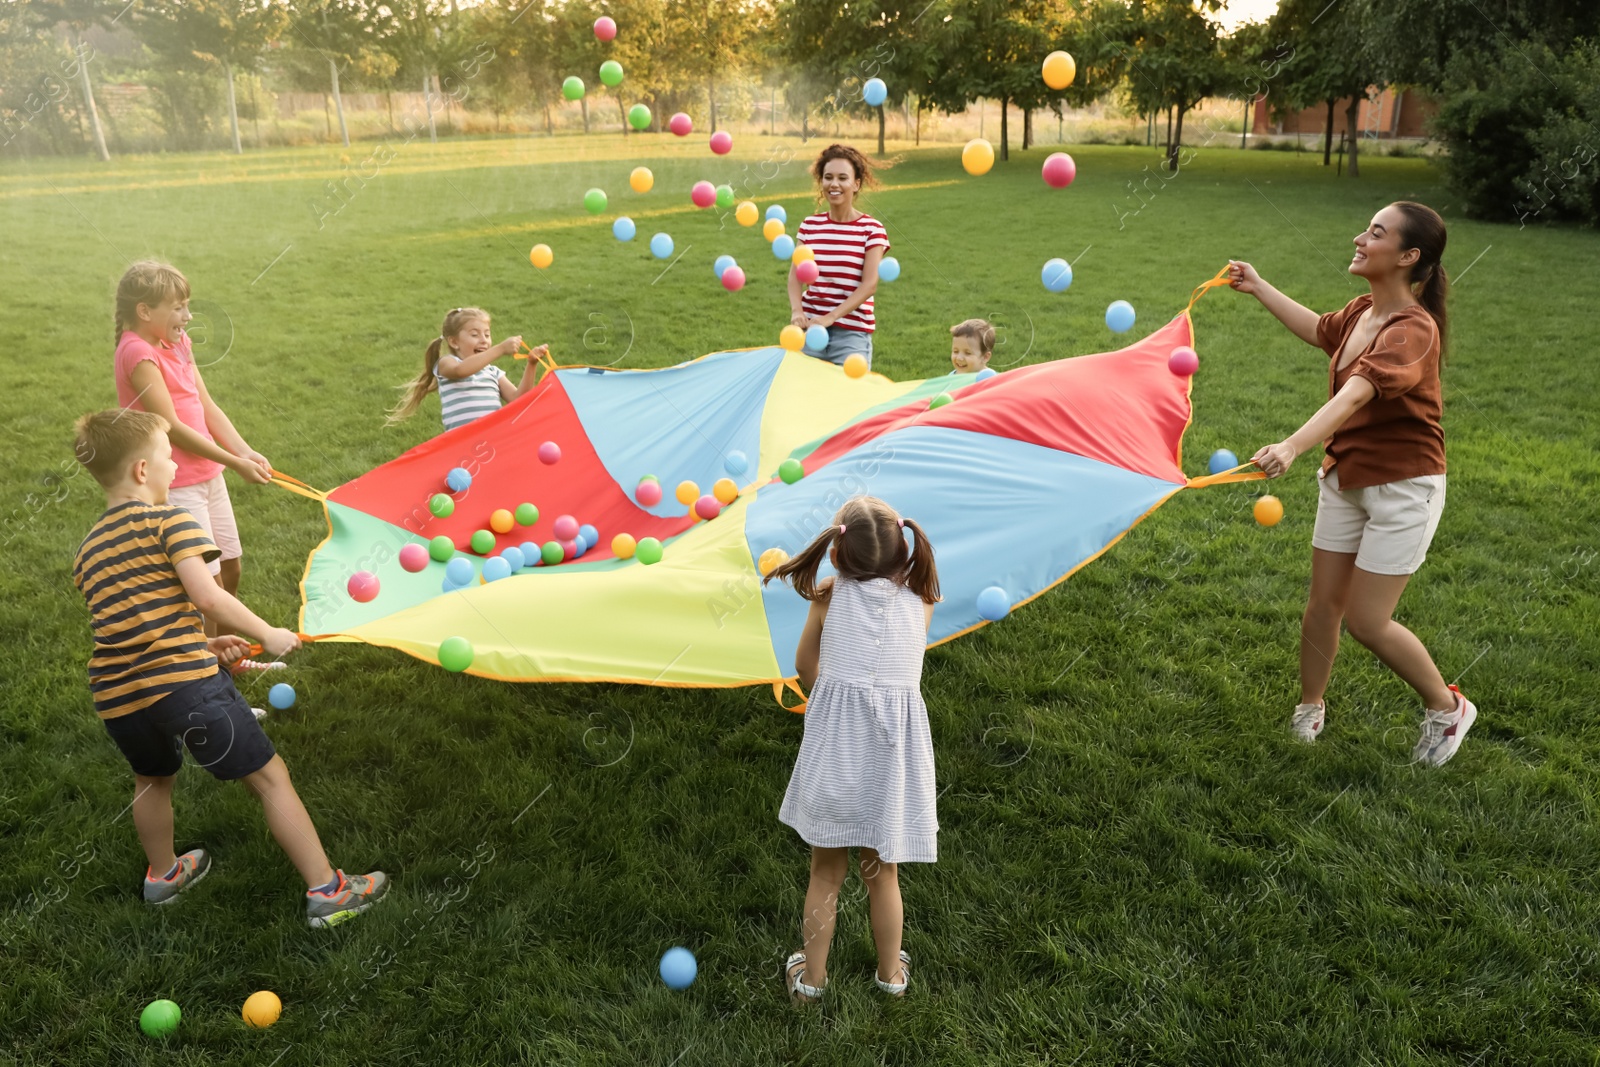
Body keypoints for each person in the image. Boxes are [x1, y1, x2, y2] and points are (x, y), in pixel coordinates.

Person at [70, 408, 390, 927]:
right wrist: (268, 634)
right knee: (269, 778)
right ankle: (329, 891)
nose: (175, 467)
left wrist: (204, 646)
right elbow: (207, 595)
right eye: (168, 457)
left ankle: (163, 875)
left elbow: (138, 621)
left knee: (151, 780)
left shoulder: (88, 550)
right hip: (183, 689)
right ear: (142, 472)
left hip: (117, 695)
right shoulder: (169, 519)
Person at [1228, 200, 1475, 767]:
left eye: (1377, 233)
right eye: (1366, 228)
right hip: (1346, 476)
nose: (1361, 238)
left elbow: (1357, 391)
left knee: (1367, 620)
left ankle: (1447, 707)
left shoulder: (1413, 330)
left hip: (1404, 488)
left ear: (1409, 257)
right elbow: (1320, 329)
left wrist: (1292, 444)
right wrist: (1261, 287)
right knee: (1322, 606)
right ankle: (1310, 706)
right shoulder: (1363, 310)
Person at [763, 495, 941, 1002]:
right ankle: (892, 977)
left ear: (838, 554)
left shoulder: (828, 598)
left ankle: (812, 982)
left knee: (826, 872)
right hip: (891, 761)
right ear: (903, 553)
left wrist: (831, 701)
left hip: (838, 752)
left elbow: (804, 666)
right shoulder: (921, 601)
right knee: (882, 873)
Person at [112, 262, 270, 638]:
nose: (189, 315)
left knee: (230, 566)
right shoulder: (138, 354)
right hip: (176, 483)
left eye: (187, 304)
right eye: (179, 307)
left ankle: (221, 653)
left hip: (208, 474)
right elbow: (174, 428)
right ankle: (209, 665)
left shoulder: (178, 341)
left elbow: (206, 404)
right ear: (145, 311)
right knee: (207, 583)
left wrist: (244, 452)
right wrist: (233, 462)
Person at [787, 144, 891, 368]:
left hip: (851, 334)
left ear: (856, 184)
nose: (834, 184)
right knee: (803, 396)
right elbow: (796, 275)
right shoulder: (810, 226)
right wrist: (797, 311)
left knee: (849, 399)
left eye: (843, 178)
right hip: (809, 330)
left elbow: (869, 285)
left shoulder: (872, 230)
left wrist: (830, 317)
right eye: (828, 177)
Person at [387, 306, 546, 430]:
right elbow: (461, 371)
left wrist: (531, 364)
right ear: (454, 342)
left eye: (487, 334)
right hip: (461, 444)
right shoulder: (447, 363)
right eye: (475, 335)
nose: (484, 340)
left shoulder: (492, 372)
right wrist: (500, 349)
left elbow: (519, 400)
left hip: (493, 442)